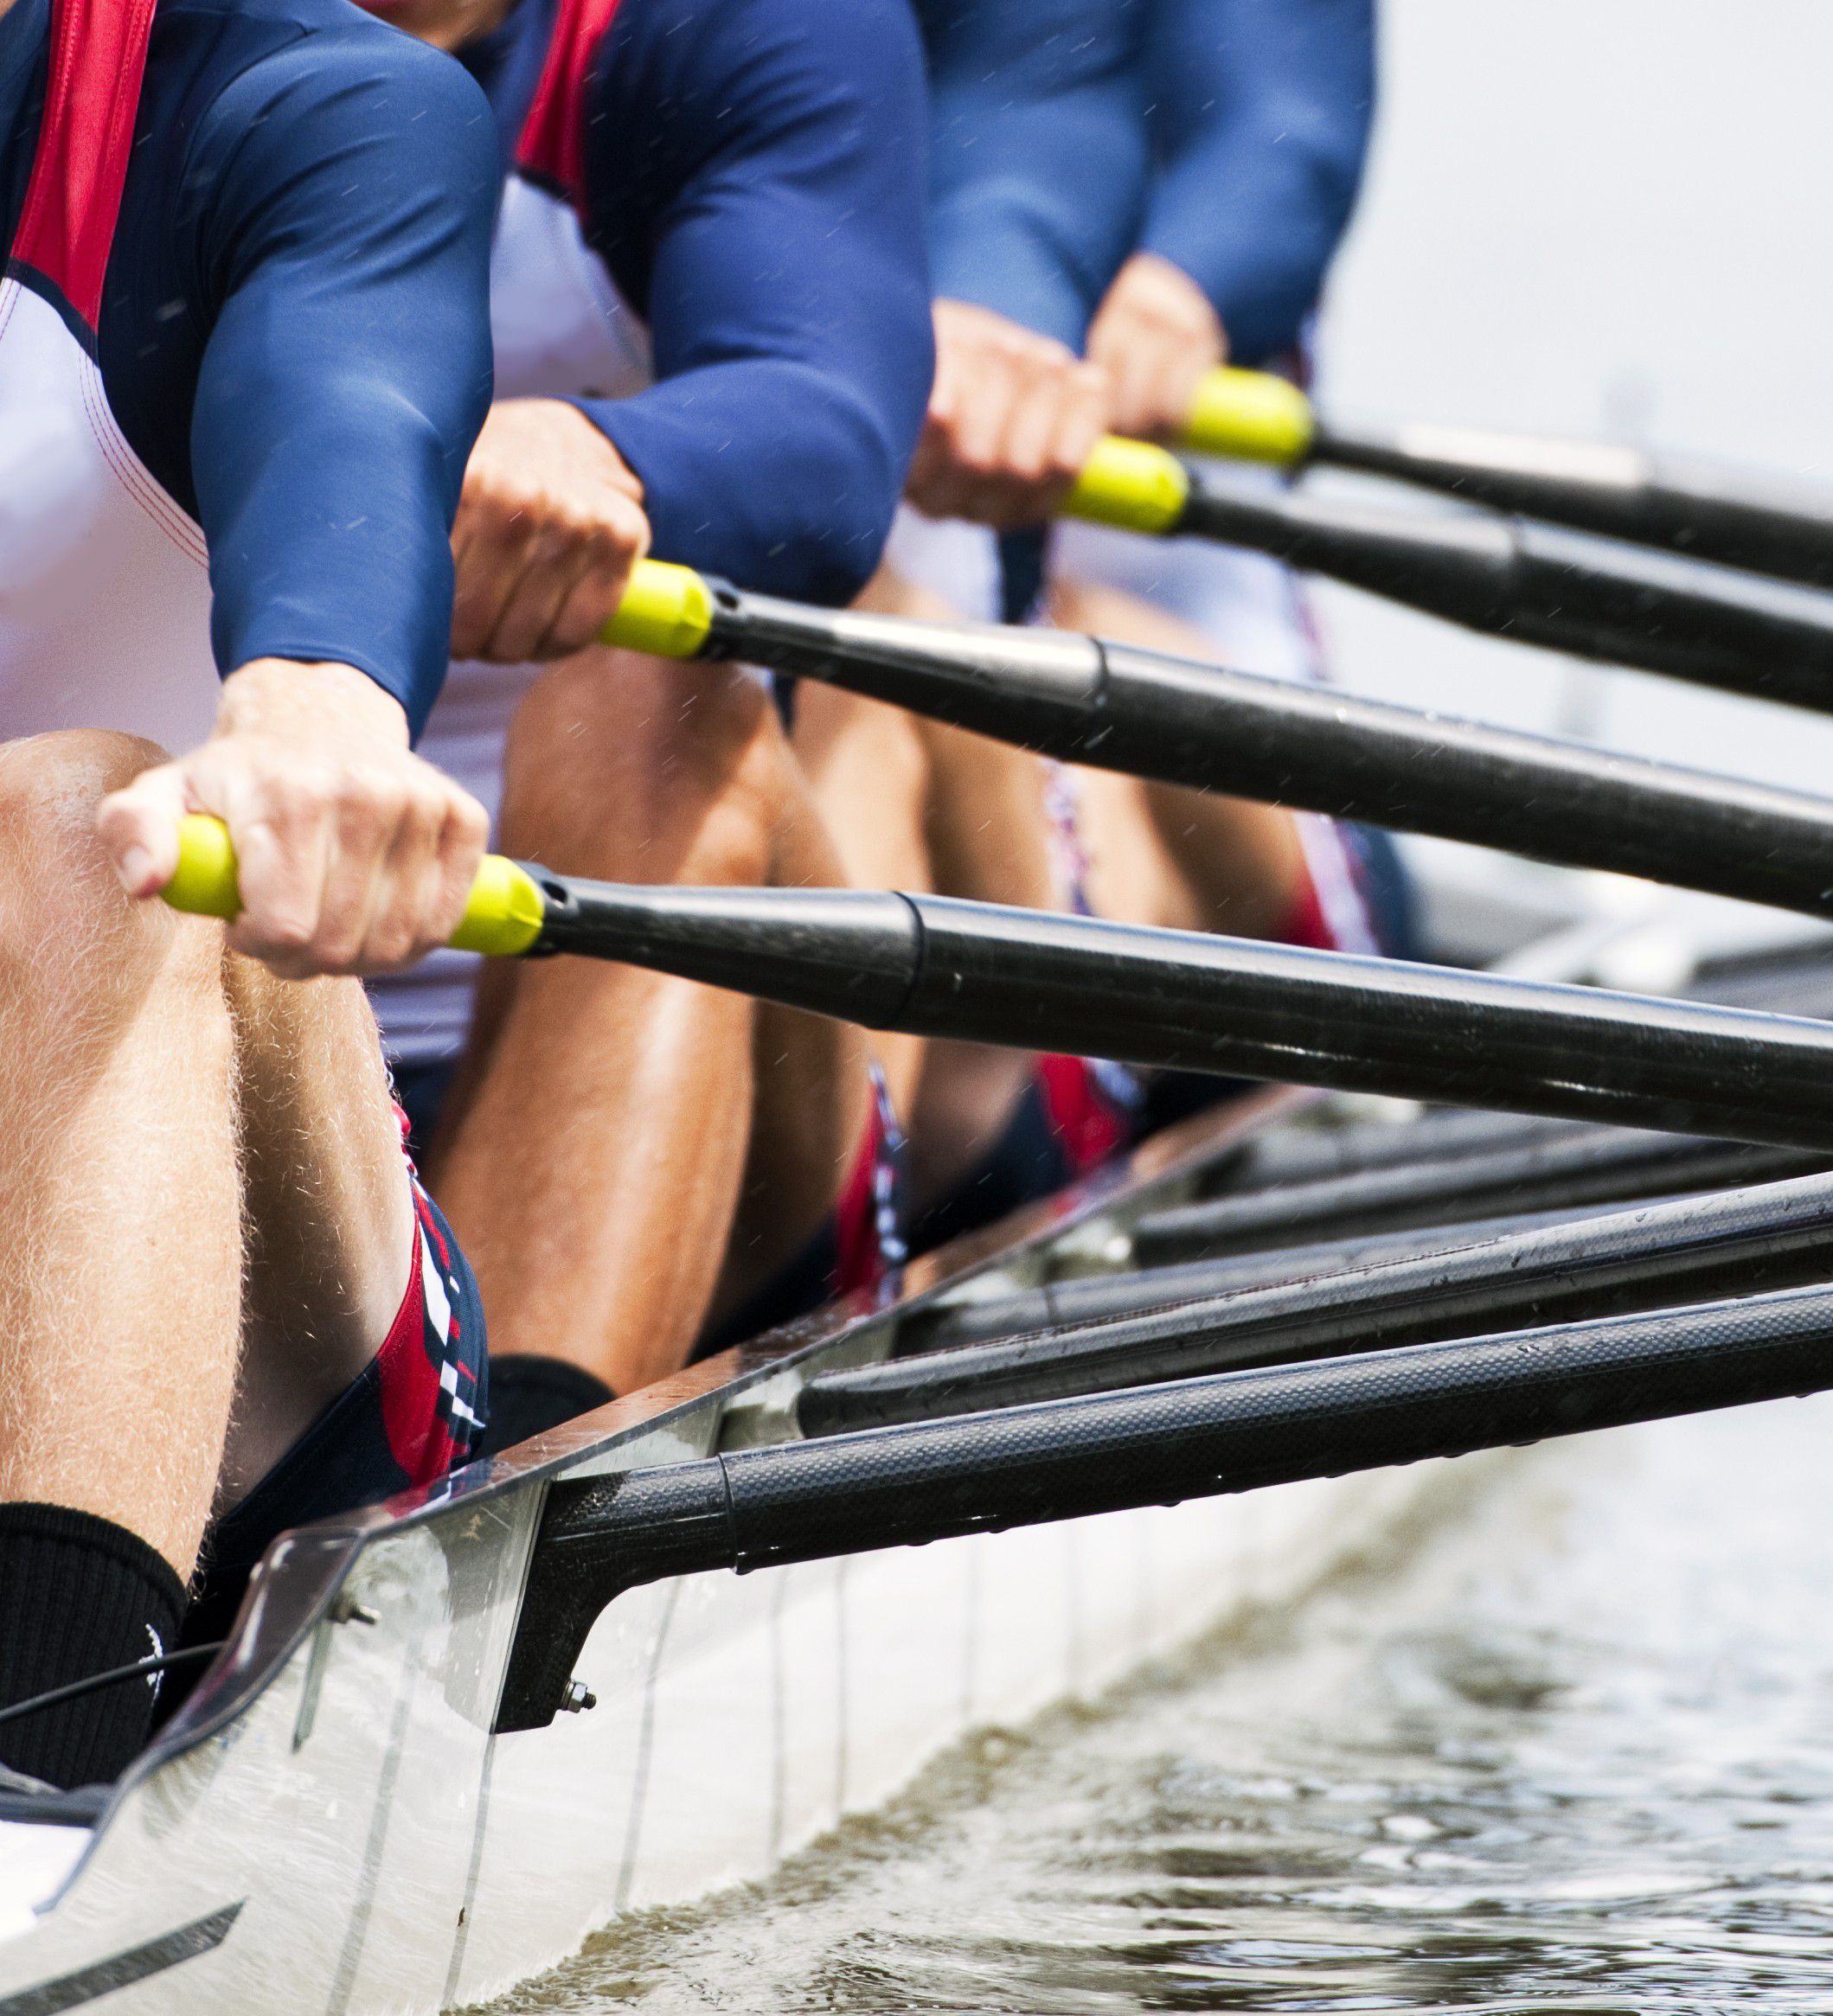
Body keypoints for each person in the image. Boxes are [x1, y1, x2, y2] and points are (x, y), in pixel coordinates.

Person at [0, 0, 502, 1792]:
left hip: (271, 1325)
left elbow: (346, 404)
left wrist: (313, 698)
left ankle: (39, 1748)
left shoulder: (303, 104)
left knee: (90, 813)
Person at [355, 0, 934, 1450]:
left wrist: (600, 448)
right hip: (214, 994)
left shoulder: (709, 32)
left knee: (652, 691)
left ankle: (502, 1513)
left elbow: (831, 435)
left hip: (602, 1005)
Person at [803, 0, 1407, 1251]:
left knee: (1022, 653)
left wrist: (1175, 301)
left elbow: (1283, 136)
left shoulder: (1046, 62)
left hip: (1204, 734)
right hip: (908, 687)